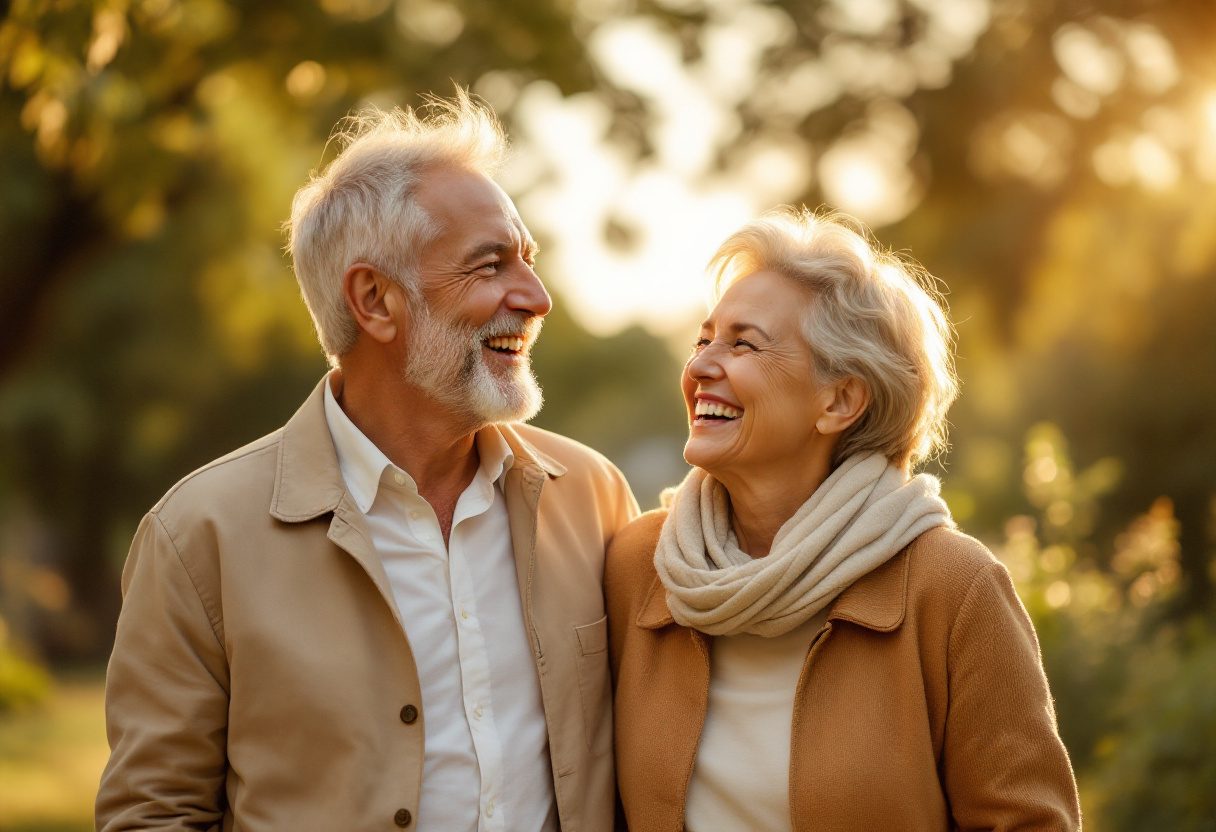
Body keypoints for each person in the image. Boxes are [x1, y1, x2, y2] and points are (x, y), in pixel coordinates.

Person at [96, 92, 638, 831]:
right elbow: (153, 815)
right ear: (375, 300)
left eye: (529, 262)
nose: (536, 297)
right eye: (491, 266)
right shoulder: (198, 536)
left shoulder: (595, 498)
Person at [606, 209, 1080, 831]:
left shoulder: (953, 588)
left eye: (743, 343)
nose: (698, 369)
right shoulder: (640, 565)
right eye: (703, 340)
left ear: (839, 400)